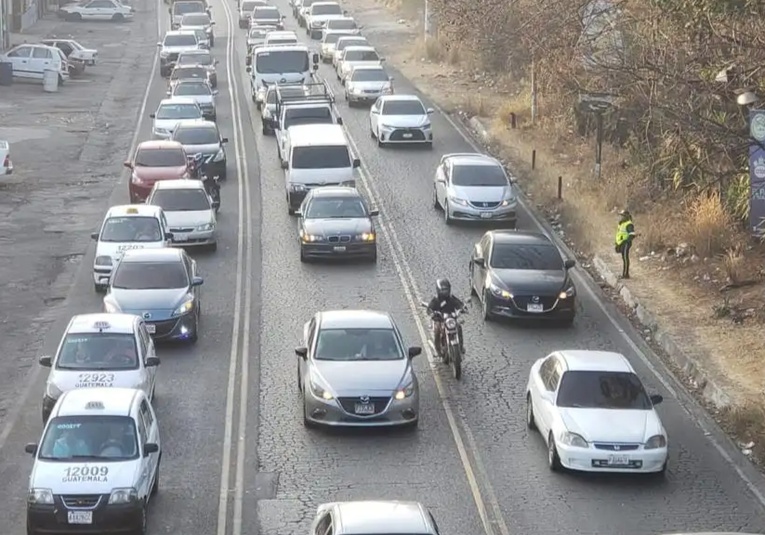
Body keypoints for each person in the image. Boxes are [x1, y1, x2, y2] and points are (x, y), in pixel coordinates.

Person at [426, 278, 466, 357]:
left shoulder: (451, 298)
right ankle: (438, 350)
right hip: (439, 319)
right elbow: (429, 309)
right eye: (443, 290)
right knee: (437, 330)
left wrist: (462, 308)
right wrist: (432, 313)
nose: (445, 292)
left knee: (459, 327)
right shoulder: (436, 299)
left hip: (450, 319)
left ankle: (460, 347)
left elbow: (458, 304)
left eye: (446, 290)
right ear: (438, 290)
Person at [614, 209, 637, 279]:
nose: (621, 217)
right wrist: (617, 243)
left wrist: (626, 241)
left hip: (626, 243)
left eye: (622, 216)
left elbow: (632, 235)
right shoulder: (621, 223)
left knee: (625, 258)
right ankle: (624, 273)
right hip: (621, 243)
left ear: (626, 216)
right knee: (624, 258)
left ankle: (626, 274)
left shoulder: (629, 224)